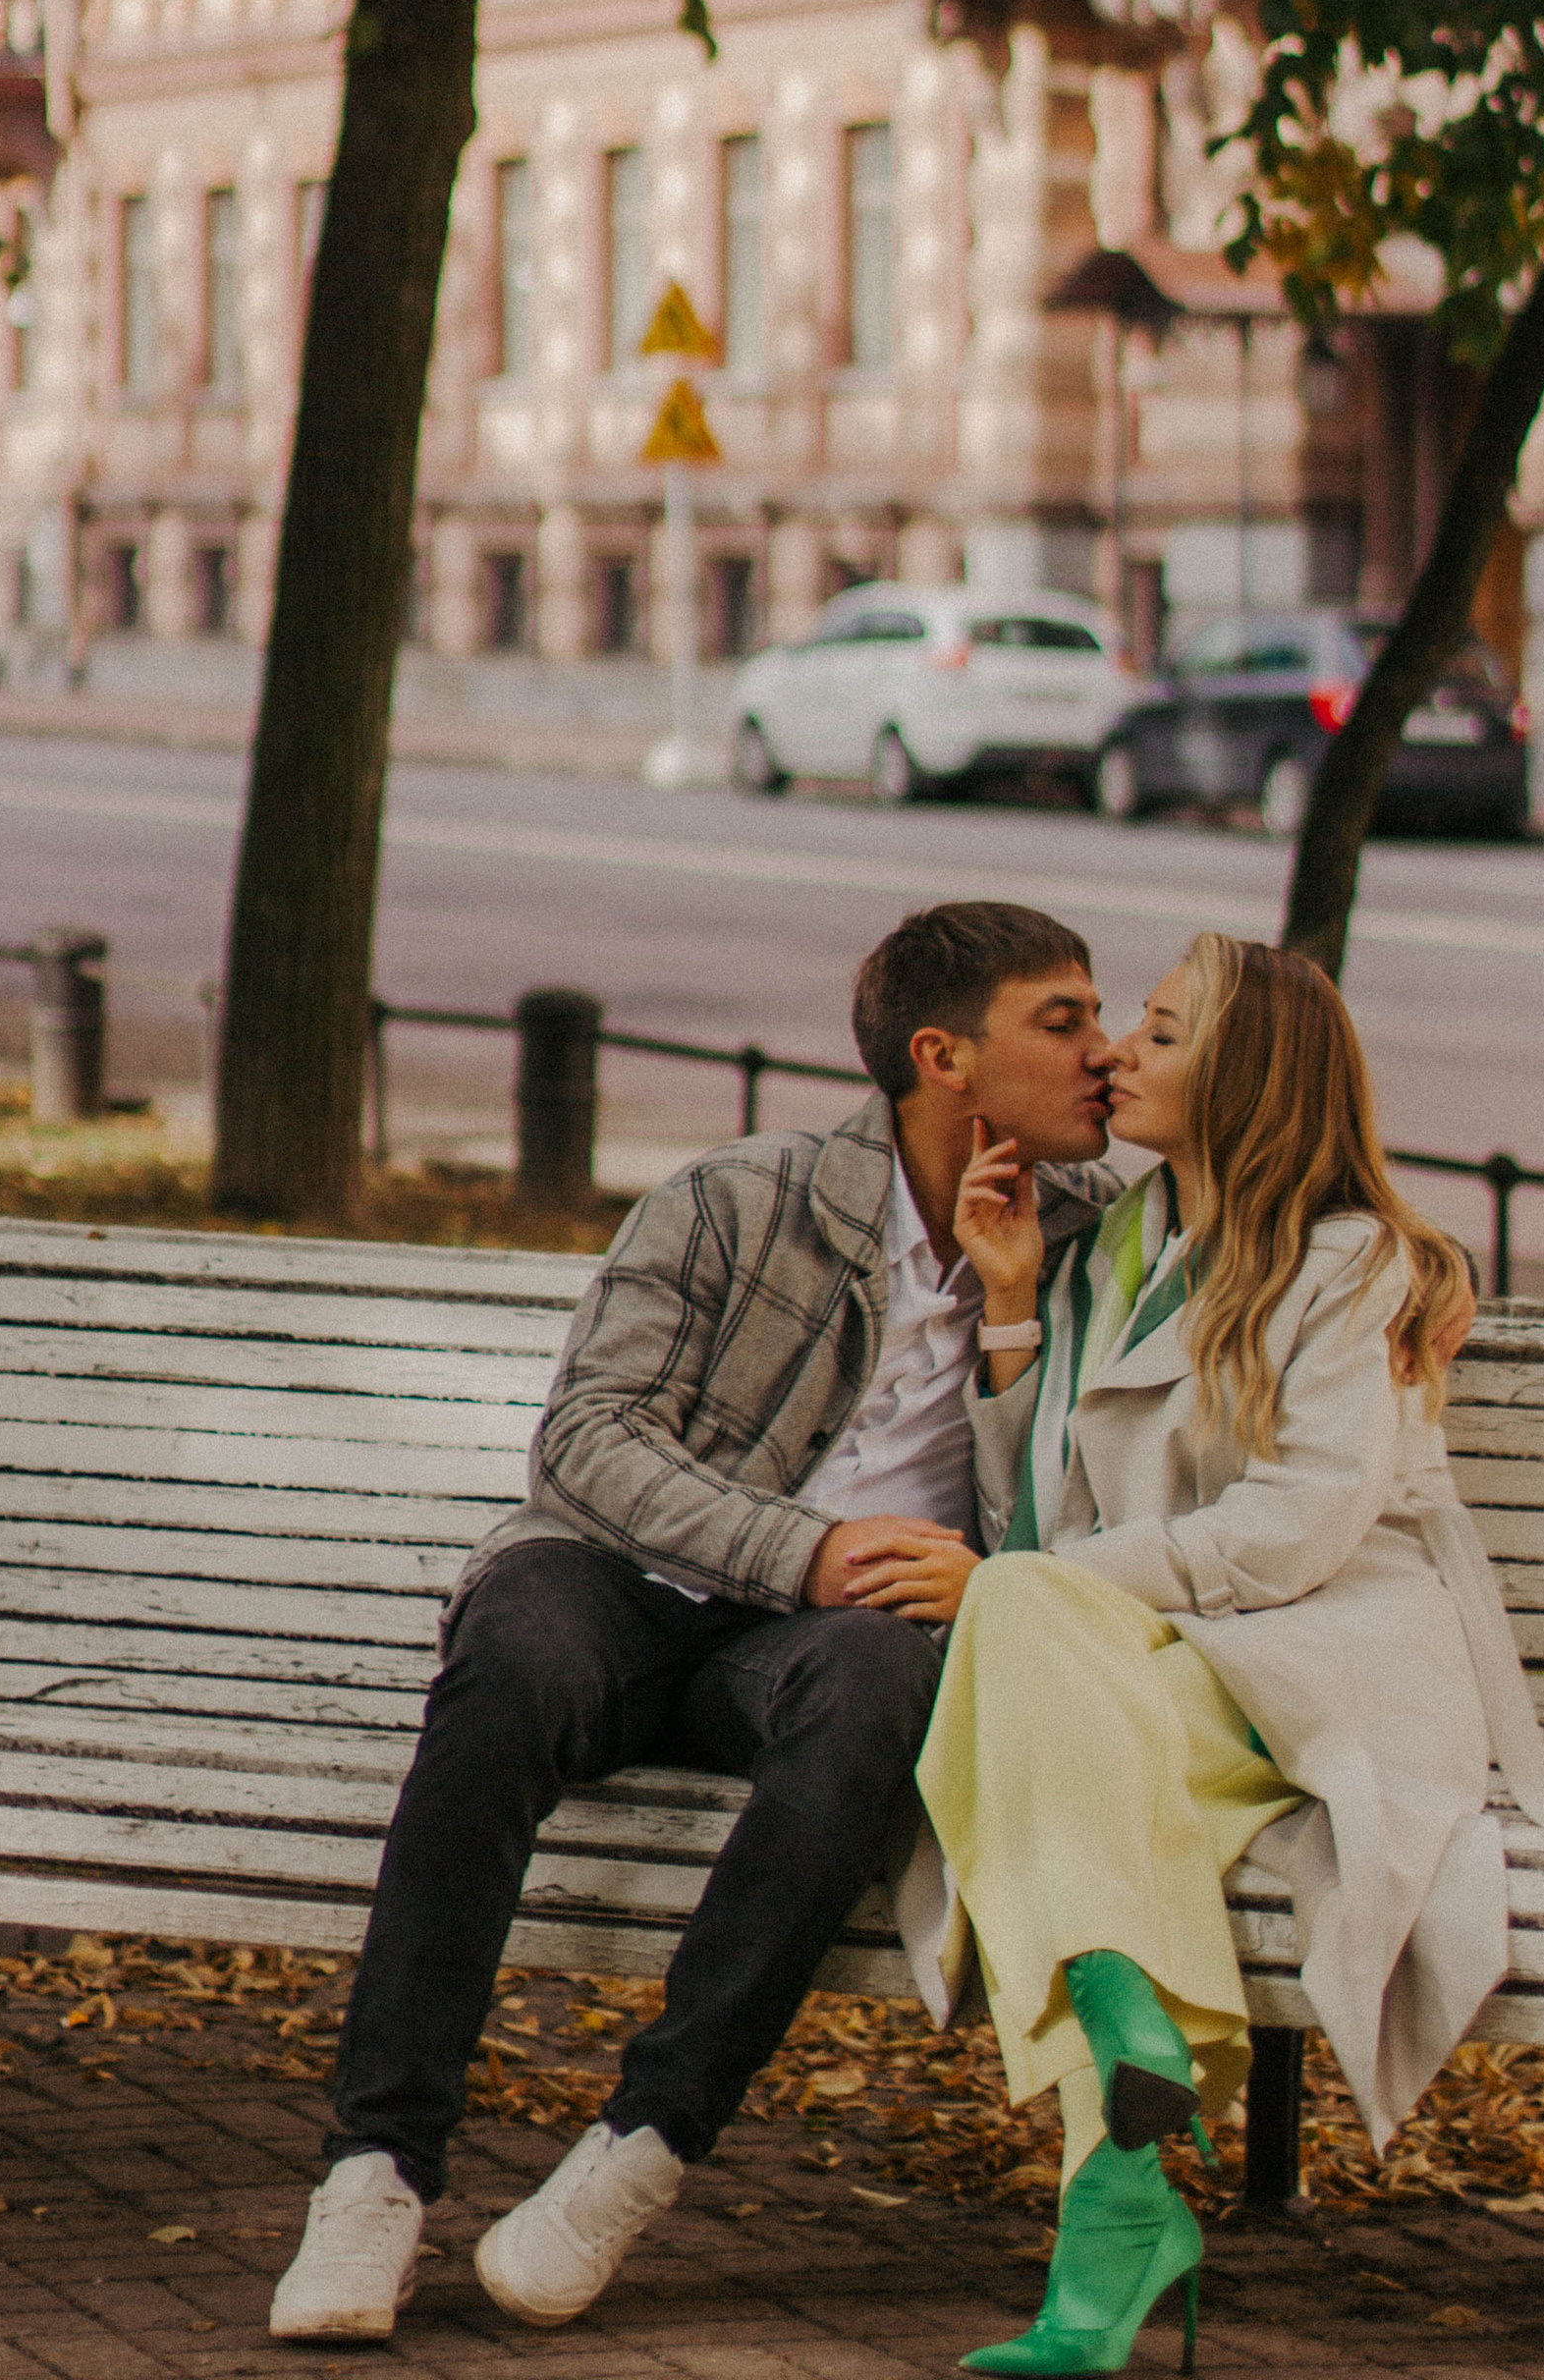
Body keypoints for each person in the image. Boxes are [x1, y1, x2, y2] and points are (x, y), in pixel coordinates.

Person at [268, 897, 1122, 2347]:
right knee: (513, 1648)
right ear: (944, 1057)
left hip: (808, 1661)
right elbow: (585, 1441)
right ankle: (377, 2171)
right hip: (622, 1589)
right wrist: (802, 1548)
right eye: (1067, 1020)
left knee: (878, 1685)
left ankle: (642, 2148)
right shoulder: (741, 1198)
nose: (1104, 1053)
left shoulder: (1091, 1242)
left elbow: (1060, 1518)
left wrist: (1012, 1313)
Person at [904, 931, 1544, 2378]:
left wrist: (1050, 1586)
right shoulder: (1109, 1251)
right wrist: (1012, 1306)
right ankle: (1122, 2181)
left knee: (1024, 1648)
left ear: (1251, 1075)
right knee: (1066, 1732)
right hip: (1154, 1658)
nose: (1117, 1057)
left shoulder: (1359, 1265)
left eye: (1159, 1031)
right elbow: (1036, 1514)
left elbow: (1290, 1537)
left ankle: (1119, 2114)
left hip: (1321, 1655)